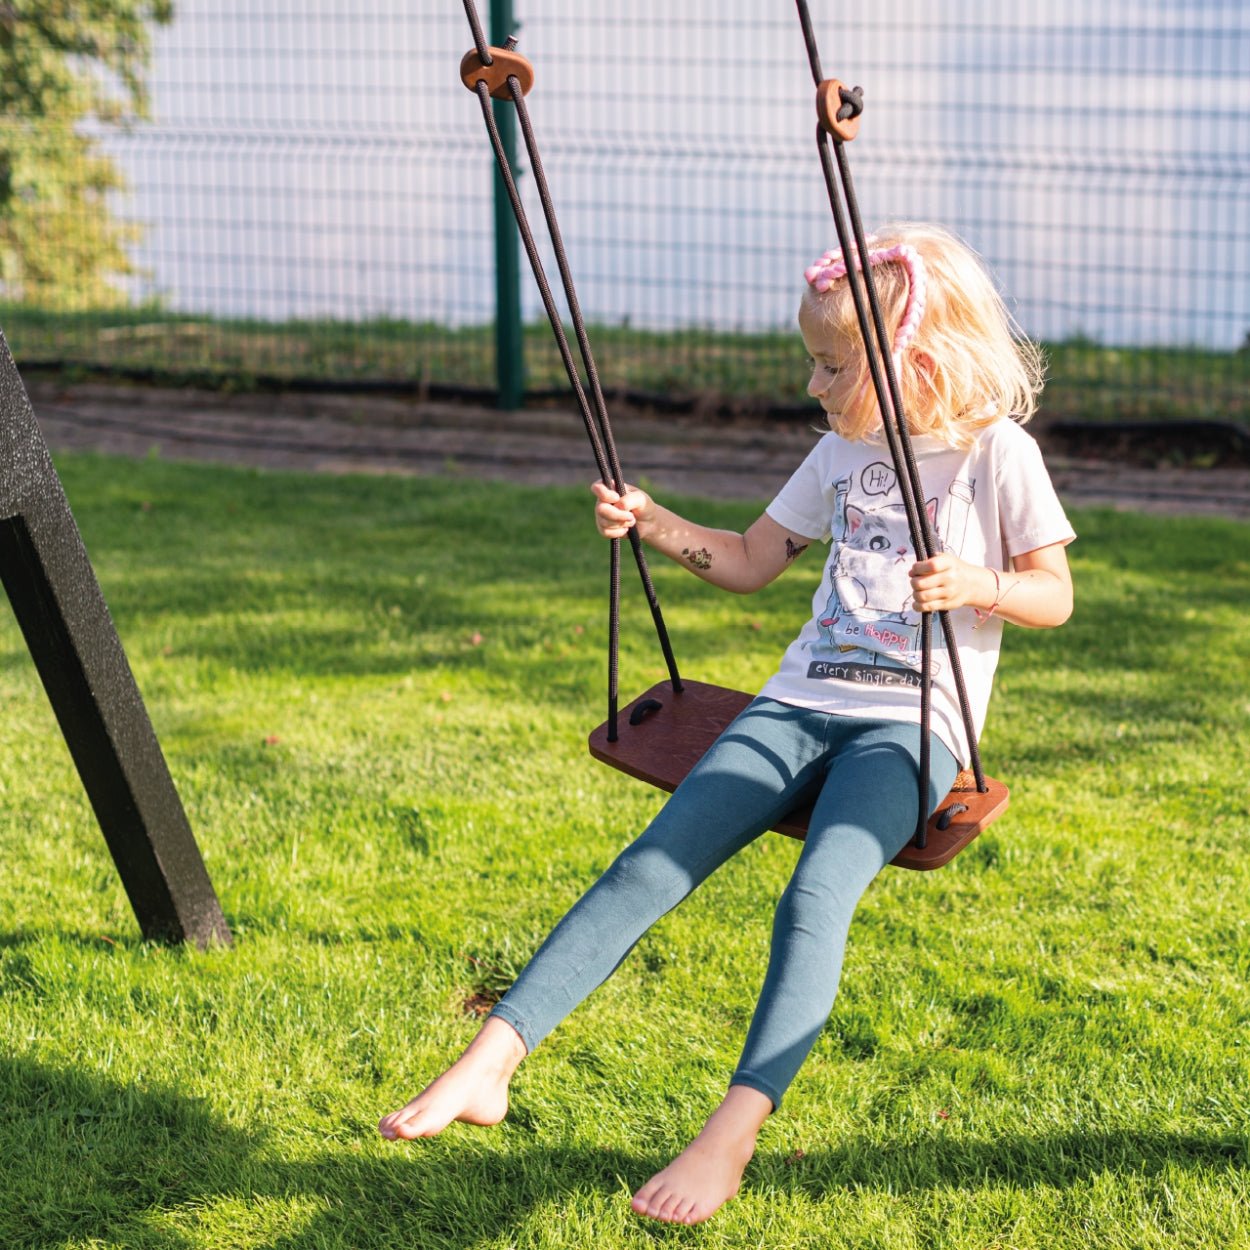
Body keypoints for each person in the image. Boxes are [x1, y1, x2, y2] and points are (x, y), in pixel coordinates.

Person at [378, 222, 1076, 1225]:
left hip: (910, 729)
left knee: (815, 892)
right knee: (650, 861)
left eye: (829, 364)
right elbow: (752, 559)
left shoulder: (990, 456)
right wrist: (654, 523)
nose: (811, 382)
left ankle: (731, 1130)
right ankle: (490, 1057)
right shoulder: (839, 449)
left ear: (910, 360)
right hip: (794, 702)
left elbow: (1051, 594)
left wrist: (973, 582)